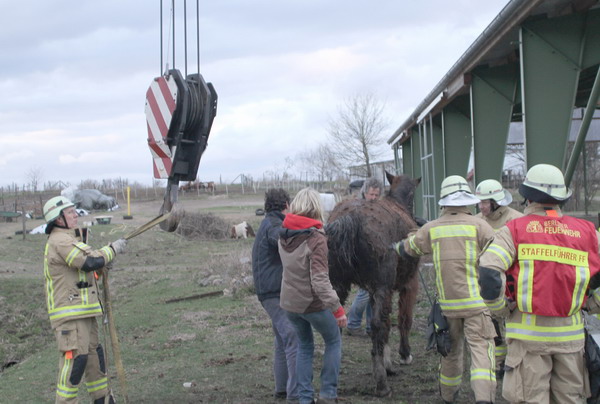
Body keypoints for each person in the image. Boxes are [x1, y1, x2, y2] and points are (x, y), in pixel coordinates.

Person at [479, 163, 600, 403]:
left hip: (528, 341)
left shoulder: (514, 230)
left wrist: (500, 308)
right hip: (571, 341)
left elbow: (489, 272)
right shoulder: (588, 232)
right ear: (562, 198)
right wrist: (591, 304)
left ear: (526, 196)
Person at [393, 175, 497, 404]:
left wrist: (398, 243)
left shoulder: (432, 228)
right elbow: (498, 256)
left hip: (448, 307)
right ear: (466, 200)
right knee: (481, 353)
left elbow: (407, 248)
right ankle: (484, 399)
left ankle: (448, 397)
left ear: (444, 201)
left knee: (450, 354)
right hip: (476, 305)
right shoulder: (481, 226)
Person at [42, 196, 127, 404]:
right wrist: (113, 250)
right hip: (70, 315)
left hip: (85, 312)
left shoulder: (71, 239)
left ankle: (103, 399)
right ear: (58, 218)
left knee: (94, 360)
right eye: (70, 212)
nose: (75, 215)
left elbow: (88, 270)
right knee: (75, 363)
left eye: (74, 211)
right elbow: (87, 262)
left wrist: (101, 267)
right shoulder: (60, 240)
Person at [279, 187, 348, 404]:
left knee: (305, 346)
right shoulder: (315, 238)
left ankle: (305, 398)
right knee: (334, 340)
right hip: (311, 304)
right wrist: (337, 309)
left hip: (290, 304)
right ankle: (328, 394)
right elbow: (319, 281)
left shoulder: (283, 233)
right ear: (316, 207)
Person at [251, 188, 298, 402]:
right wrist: (304, 230)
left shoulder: (269, 221)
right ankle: (296, 395)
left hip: (269, 289)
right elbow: (278, 237)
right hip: (273, 292)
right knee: (293, 338)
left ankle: (281, 390)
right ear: (286, 205)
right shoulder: (273, 224)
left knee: (282, 340)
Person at [475, 178, 523, 378]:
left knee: (510, 324)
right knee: (491, 325)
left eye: (485, 202)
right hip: (487, 282)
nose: (481, 206)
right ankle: (499, 363)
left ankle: (513, 361)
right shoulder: (477, 220)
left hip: (512, 283)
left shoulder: (516, 220)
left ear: (496, 202)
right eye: (480, 202)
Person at [346, 177, 383, 337]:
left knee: (373, 292)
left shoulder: (378, 209)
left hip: (376, 256)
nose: (373, 198)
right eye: (371, 194)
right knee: (365, 292)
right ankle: (353, 323)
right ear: (364, 192)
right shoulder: (357, 208)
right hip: (361, 256)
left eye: (376, 195)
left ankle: (370, 326)